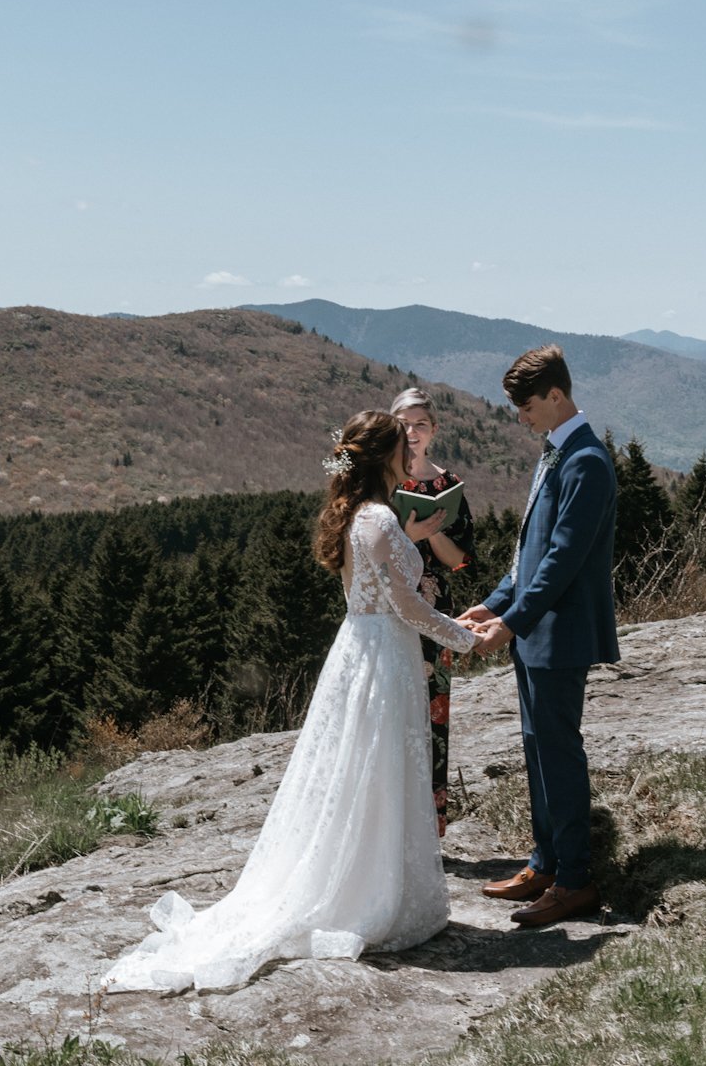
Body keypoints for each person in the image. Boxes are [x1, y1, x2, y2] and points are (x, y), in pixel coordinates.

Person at [101, 409, 480, 993]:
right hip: (382, 654)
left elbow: (391, 592)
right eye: (403, 444)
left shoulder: (360, 513)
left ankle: (372, 878)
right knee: (377, 768)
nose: (412, 451)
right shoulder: (377, 517)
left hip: (367, 647)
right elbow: (403, 606)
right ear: (386, 457)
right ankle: (369, 895)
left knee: (367, 768)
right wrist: (466, 636)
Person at [456, 343, 619, 931]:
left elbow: (562, 562)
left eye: (526, 406)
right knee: (536, 751)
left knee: (559, 754)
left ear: (556, 396)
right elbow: (530, 553)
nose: (521, 418)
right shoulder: (556, 453)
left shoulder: (587, 462)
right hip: (535, 630)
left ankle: (575, 880)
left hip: (560, 633)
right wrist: (495, 603)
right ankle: (544, 863)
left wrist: (512, 622)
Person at [389, 385, 473, 835]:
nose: (412, 431)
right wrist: (410, 534)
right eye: (404, 423)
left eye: (420, 423)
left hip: (434, 613)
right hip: (391, 611)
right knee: (393, 712)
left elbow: (460, 560)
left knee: (432, 713)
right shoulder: (382, 481)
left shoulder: (449, 485)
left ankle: (429, 826)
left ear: (434, 430)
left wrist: (433, 530)